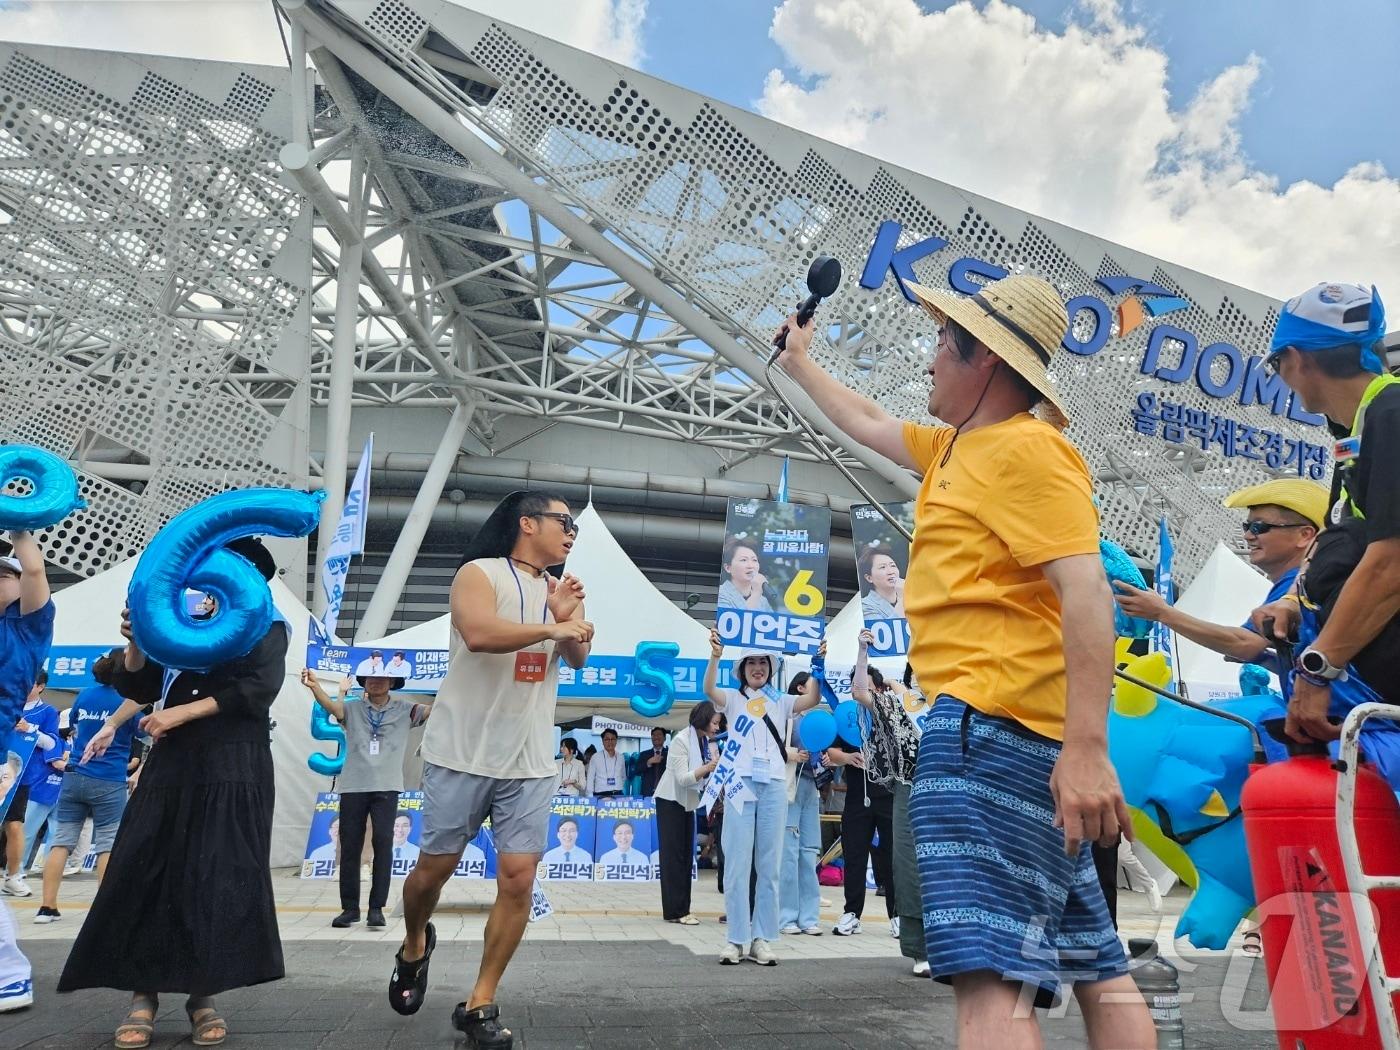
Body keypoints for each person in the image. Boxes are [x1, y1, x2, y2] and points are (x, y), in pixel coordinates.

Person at [774, 276, 1152, 1046]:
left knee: (991, 988)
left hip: (988, 734)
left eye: (943, 343)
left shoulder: (1027, 452)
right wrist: (800, 362)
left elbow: (1086, 595)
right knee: (1096, 972)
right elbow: (870, 421)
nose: (929, 359)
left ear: (985, 361)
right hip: (1018, 737)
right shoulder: (955, 447)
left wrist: (1087, 747)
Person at [59, 537, 290, 1048]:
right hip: (173, 763)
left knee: (215, 874)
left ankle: (201, 995)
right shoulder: (180, 622)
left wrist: (180, 713)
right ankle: (142, 995)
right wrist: (138, 641)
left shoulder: (268, 625)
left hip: (234, 762)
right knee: (145, 865)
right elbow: (141, 688)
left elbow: (257, 689)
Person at [389, 490, 592, 1048]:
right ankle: (413, 943)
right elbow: (479, 635)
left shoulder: (557, 591)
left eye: (574, 526)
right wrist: (553, 629)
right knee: (434, 869)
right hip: (460, 751)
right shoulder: (478, 574)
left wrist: (570, 623)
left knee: (519, 878)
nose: (571, 531)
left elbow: (574, 657)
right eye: (562, 521)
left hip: (528, 759)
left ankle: (480, 999)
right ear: (527, 523)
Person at [1248, 283, 1400, 735]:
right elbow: (1337, 531)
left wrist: (1319, 668)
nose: (1283, 378)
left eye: (1277, 365)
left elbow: (1391, 564)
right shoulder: (1360, 426)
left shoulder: (1391, 413)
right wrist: (1295, 599)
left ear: (1297, 358)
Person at [1114, 479, 1329, 668]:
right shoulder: (1301, 584)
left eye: (1259, 527)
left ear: (1305, 535)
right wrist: (1260, 658)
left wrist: (1163, 613)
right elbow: (1256, 650)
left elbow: (1245, 644)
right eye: (1247, 526)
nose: (1247, 536)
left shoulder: (1299, 585)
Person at [702, 630, 820, 966]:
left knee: (769, 866)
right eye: (751, 662)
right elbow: (708, 689)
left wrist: (818, 663)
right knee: (737, 865)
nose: (757, 667)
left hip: (773, 786)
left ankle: (762, 938)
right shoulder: (733, 697)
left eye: (762, 662)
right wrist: (715, 655)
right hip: (740, 785)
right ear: (742, 668)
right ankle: (735, 939)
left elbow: (811, 700)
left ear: (771, 666)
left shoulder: (781, 700)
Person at [301, 669, 430, 928]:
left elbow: (436, 710)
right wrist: (314, 686)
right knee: (350, 846)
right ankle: (350, 908)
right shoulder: (353, 709)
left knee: (383, 845)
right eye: (370, 679)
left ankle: (376, 908)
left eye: (382, 678)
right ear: (364, 683)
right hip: (353, 786)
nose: (376, 682)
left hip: (387, 786)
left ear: (392, 682)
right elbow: (331, 707)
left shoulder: (406, 709)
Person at [35, 652, 138, 924]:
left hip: (74, 776)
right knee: (107, 845)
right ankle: (105, 913)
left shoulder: (86, 695)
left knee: (61, 842)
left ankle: (47, 907)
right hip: (109, 779)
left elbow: (77, 724)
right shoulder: (127, 701)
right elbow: (141, 732)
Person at [0, 535, 53, 1014]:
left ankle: (9, 976)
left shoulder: (27, 630)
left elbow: (35, 573)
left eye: (3, 574)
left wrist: (20, 531)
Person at [848, 631, 926, 953]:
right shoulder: (898, 703)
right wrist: (863, 650)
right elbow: (859, 691)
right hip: (909, 789)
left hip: (950, 792)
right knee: (908, 864)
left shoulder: (954, 702)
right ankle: (918, 945)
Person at [654, 701, 720, 925]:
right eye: (714, 722)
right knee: (673, 857)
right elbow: (683, 778)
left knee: (685, 855)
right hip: (670, 801)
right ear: (703, 720)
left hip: (687, 802)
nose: (717, 728)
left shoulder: (702, 741)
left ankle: (684, 908)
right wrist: (709, 767)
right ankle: (674, 911)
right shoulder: (681, 740)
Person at [4, 671, 59, 898]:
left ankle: (13, 876)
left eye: (29, 685)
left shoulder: (47, 712)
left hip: (20, 777)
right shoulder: (7, 704)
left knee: (15, 825)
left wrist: (30, 729)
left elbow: (52, 743)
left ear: (40, 686)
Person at [778, 673, 824, 937]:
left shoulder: (815, 720)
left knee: (808, 853)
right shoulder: (788, 717)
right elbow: (770, 748)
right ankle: (786, 917)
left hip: (812, 788)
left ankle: (809, 917)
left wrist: (826, 759)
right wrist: (793, 753)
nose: (816, 693)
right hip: (790, 787)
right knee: (789, 854)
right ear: (799, 689)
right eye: (812, 687)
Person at [24, 711, 68, 875]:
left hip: (61, 792)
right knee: (28, 832)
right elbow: (57, 763)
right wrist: (76, 767)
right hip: (41, 790)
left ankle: (49, 868)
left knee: (56, 834)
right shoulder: (55, 741)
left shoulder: (74, 743)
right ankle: (17, 869)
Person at [716, 538, 776, 611]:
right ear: (728, 568)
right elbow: (738, 619)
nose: (751, 566)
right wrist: (756, 593)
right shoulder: (720, 593)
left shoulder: (762, 601)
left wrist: (756, 594)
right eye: (743, 560)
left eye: (754, 560)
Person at [858, 546, 906, 621]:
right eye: (882, 567)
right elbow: (884, 631)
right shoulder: (865, 606)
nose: (891, 572)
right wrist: (902, 599)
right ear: (869, 578)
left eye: (893, 565)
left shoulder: (912, 599)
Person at [585, 728, 625, 798]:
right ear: (602, 741)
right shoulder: (596, 757)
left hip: (618, 794)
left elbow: (623, 776)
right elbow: (590, 778)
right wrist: (590, 796)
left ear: (616, 741)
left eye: (612, 739)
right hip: (601, 795)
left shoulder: (621, 757)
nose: (610, 742)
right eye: (607, 739)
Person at [638, 727, 668, 797]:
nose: (656, 737)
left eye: (659, 734)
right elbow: (637, 771)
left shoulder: (670, 755)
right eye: (654, 735)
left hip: (665, 792)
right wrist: (648, 763)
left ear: (664, 738)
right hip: (647, 792)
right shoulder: (644, 754)